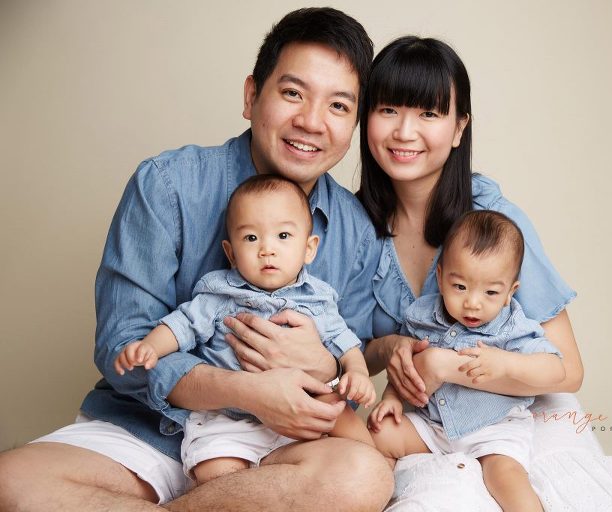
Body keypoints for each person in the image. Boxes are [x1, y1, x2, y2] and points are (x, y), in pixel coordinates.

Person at [0, 8, 392, 512]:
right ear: (252, 96)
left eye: (339, 106)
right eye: (293, 93)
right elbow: (124, 346)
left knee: (361, 478)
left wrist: (325, 368)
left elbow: (349, 360)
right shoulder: (168, 183)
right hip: (150, 431)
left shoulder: (355, 231)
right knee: (10, 484)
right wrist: (246, 390)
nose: (312, 121)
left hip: (279, 449)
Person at [357, 35, 612, 512]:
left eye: (428, 114)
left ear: (458, 128)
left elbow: (568, 371)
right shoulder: (354, 226)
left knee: (568, 499)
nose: (405, 132)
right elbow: (345, 354)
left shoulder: (494, 223)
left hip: (521, 410)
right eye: (388, 110)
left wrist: (451, 365)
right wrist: (393, 353)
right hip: (432, 422)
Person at [114, 174, 376, 484]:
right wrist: (150, 347)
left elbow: (346, 344)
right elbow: (181, 325)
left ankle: (383, 476)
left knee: (352, 434)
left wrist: (356, 373)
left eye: (283, 236)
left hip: (303, 410)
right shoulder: (220, 294)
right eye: (251, 238)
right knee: (217, 472)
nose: (267, 249)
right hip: (229, 415)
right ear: (231, 253)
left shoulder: (318, 298)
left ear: (309, 248)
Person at [369, 210, 564, 511]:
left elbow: (556, 370)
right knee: (378, 434)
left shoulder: (512, 327)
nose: (473, 302)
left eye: (490, 292)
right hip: (432, 425)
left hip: (493, 428)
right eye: (459, 286)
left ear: (510, 292)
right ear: (441, 276)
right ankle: (370, 495)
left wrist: (507, 363)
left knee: (506, 476)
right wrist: (392, 397)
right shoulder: (421, 316)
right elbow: (406, 367)